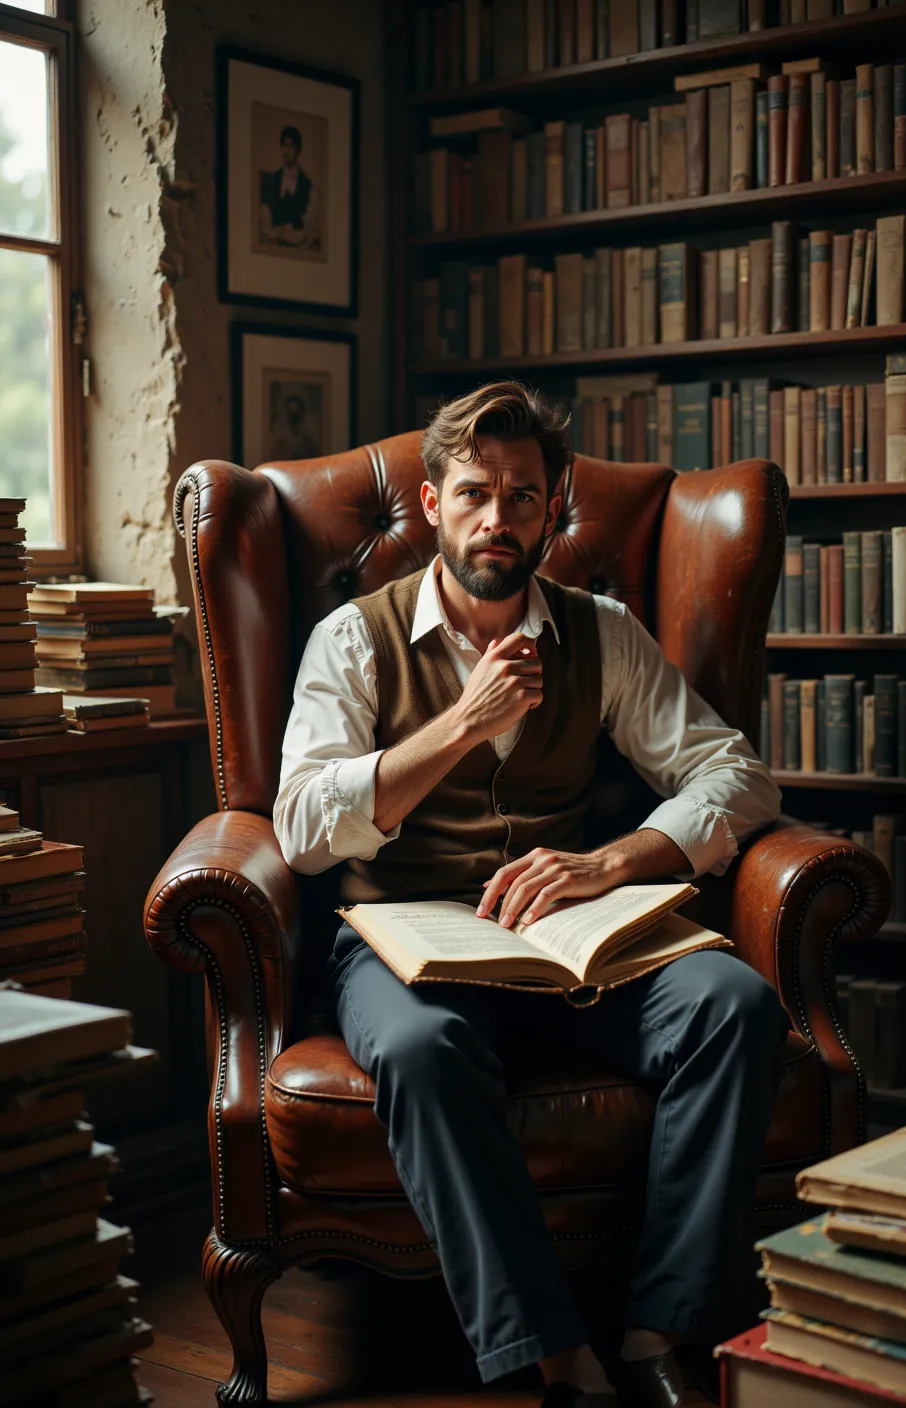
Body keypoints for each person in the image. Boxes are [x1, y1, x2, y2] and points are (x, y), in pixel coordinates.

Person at [274, 381, 789, 1408]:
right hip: (402, 940)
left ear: (553, 509)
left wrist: (614, 861)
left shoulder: (600, 632)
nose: (496, 518)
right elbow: (299, 824)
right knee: (421, 1052)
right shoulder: (353, 639)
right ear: (431, 505)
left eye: (522, 495)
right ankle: (556, 1353)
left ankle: (659, 1328)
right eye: (473, 492)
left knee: (732, 1008)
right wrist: (459, 724)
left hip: (569, 939)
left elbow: (736, 776)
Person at [258, 123, 320, 250]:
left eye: (291, 146)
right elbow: (264, 217)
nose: (287, 151)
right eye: (284, 145)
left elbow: (308, 228)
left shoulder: (307, 186)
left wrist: (286, 234)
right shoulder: (271, 180)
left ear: (299, 150)